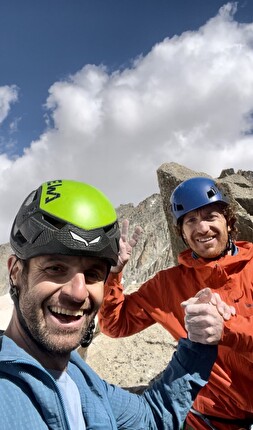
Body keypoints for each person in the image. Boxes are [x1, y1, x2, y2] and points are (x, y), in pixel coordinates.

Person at [0, 179, 227, 430]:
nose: (78, 293)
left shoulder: (79, 377)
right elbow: (118, 324)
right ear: (15, 272)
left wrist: (198, 345)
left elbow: (150, 418)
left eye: (93, 274)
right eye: (56, 268)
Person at [99, 176, 253, 430]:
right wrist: (114, 274)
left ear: (228, 220)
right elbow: (115, 325)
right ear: (181, 232)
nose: (202, 228)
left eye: (210, 216)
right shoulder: (166, 285)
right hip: (210, 421)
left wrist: (226, 330)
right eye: (190, 221)